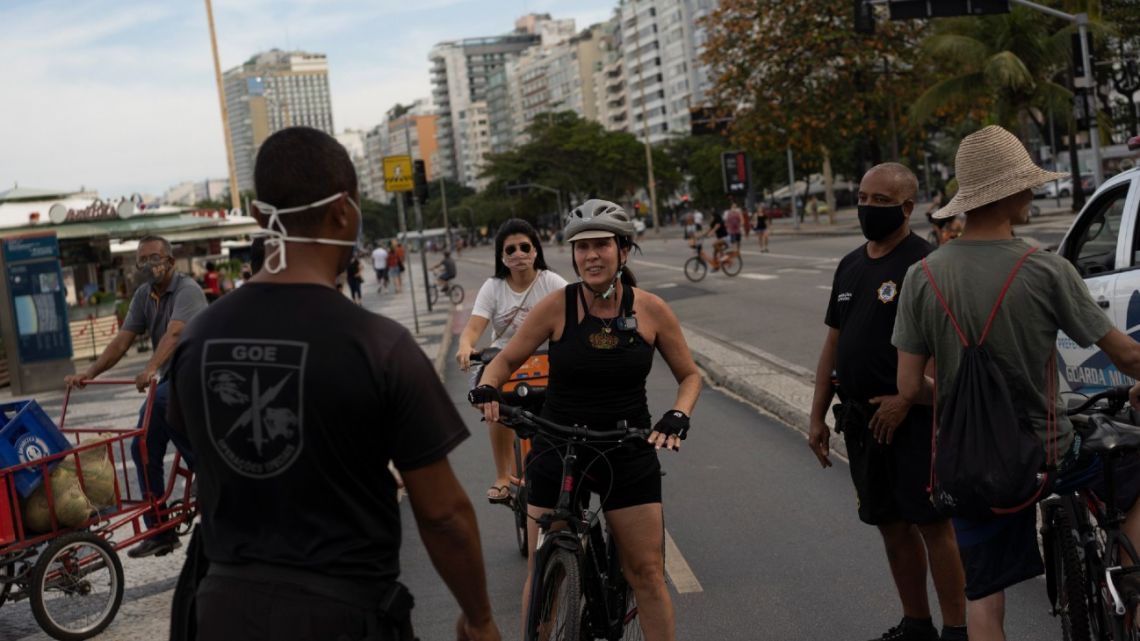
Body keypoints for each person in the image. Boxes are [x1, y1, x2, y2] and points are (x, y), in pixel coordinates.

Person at [166, 126, 500, 641]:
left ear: (260, 216)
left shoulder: (197, 338)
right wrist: (478, 619)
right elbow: (443, 515)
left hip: (221, 612)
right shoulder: (378, 345)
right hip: (343, 617)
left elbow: (203, 449)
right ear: (345, 211)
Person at [892, 125, 1140, 641]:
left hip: (970, 468)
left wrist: (968, 402)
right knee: (1134, 469)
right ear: (1010, 194)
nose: (1034, 194)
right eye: (1028, 185)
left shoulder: (924, 276)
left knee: (983, 600)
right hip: (1049, 457)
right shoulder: (1044, 269)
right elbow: (1127, 355)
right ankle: (1129, 586)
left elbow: (910, 385)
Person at [470, 199, 701, 640]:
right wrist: (487, 386)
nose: (590, 255)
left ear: (624, 251)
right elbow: (504, 360)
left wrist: (678, 413)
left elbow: (690, 376)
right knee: (541, 568)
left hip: (626, 446)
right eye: (581, 247)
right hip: (559, 445)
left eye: (601, 245)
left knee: (647, 571)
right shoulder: (557, 306)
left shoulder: (650, 309)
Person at [808, 163, 966, 641]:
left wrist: (908, 397)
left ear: (907, 207)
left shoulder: (927, 263)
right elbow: (833, 345)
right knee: (890, 525)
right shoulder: (850, 264)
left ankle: (957, 629)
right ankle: (917, 623)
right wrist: (816, 414)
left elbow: (945, 346)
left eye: (881, 201)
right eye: (863, 197)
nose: (868, 208)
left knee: (932, 523)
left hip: (915, 420)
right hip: (862, 421)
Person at [64, 235, 207, 558]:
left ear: (170, 259)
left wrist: (151, 368)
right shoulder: (144, 295)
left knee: (162, 400)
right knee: (140, 444)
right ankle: (160, 529)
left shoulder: (188, 290)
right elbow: (121, 341)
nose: (149, 264)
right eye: (142, 259)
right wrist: (90, 373)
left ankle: (210, 475)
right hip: (171, 380)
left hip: (199, 374)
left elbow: (176, 333)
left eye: (155, 257)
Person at [455, 219, 567, 505]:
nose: (518, 254)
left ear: (535, 250)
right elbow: (474, 327)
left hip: (547, 361)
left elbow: (576, 313)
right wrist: (466, 346)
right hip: (504, 362)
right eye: (511, 249)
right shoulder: (493, 287)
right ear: (501, 256)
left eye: (524, 247)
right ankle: (503, 476)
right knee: (493, 402)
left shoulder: (551, 282)